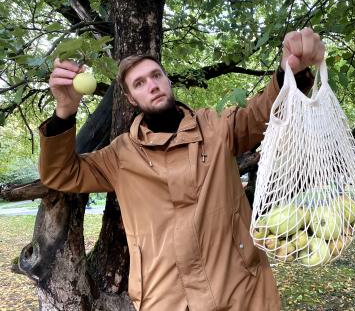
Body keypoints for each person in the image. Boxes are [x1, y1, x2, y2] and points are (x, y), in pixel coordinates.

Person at [39, 27, 325, 311]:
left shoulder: (216, 128)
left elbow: (259, 115)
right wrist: (65, 111)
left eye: (156, 76)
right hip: (165, 301)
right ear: (130, 99)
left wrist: (291, 73)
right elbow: (61, 173)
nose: (152, 85)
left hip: (240, 292)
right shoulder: (120, 156)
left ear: (167, 80)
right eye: (139, 84)